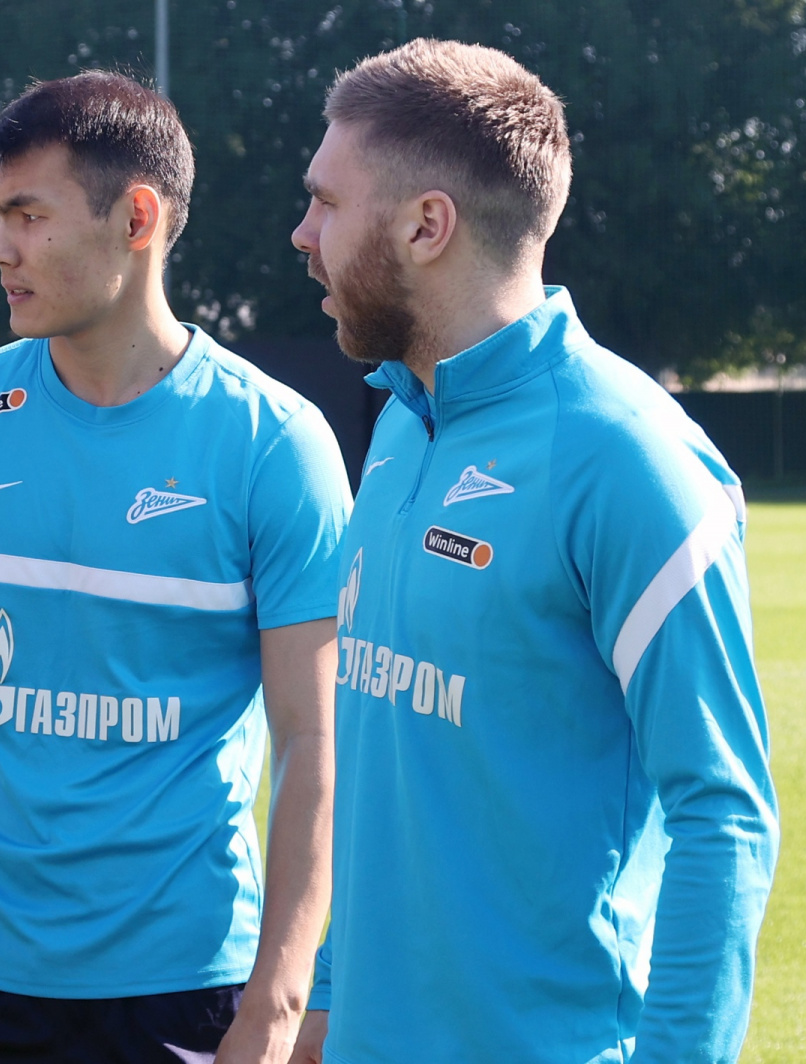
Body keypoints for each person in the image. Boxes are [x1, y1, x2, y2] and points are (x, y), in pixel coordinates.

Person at [0, 72, 353, 1064]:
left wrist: (278, 999)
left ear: (137, 218)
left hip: (188, 985)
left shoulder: (273, 442)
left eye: (29, 215)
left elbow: (314, 740)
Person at [285, 40, 779, 1064]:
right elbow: (393, 769)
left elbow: (724, 814)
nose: (303, 233)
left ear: (427, 224)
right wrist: (329, 990)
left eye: (326, 202)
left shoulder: (628, 458)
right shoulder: (402, 418)